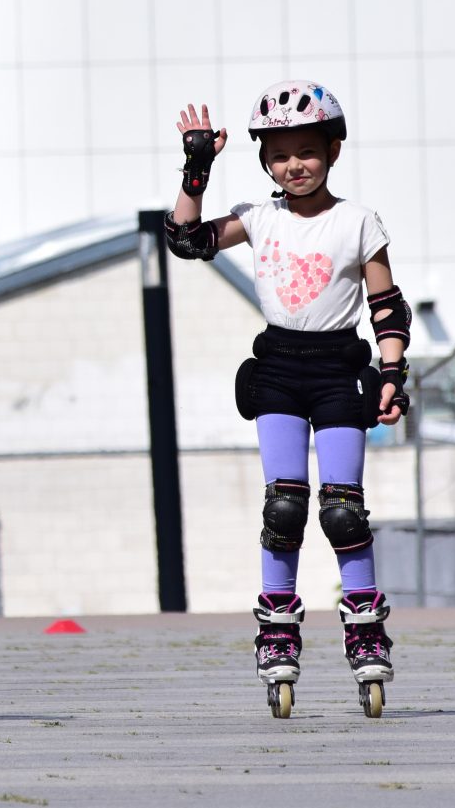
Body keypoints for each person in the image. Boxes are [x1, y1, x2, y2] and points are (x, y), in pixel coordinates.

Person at [163, 81, 410, 720]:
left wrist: (392, 373)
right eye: (278, 155)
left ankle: (365, 629)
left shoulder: (359, 221)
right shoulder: (259, 217)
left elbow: (386, 306)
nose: (293, 165)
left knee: (344, 510)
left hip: (338, 370)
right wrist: (196, 169)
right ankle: (277, 628)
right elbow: (186, 240)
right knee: (284, 505)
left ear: (333, 151)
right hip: (277, 369)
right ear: (264, 161)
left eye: (306, 152)